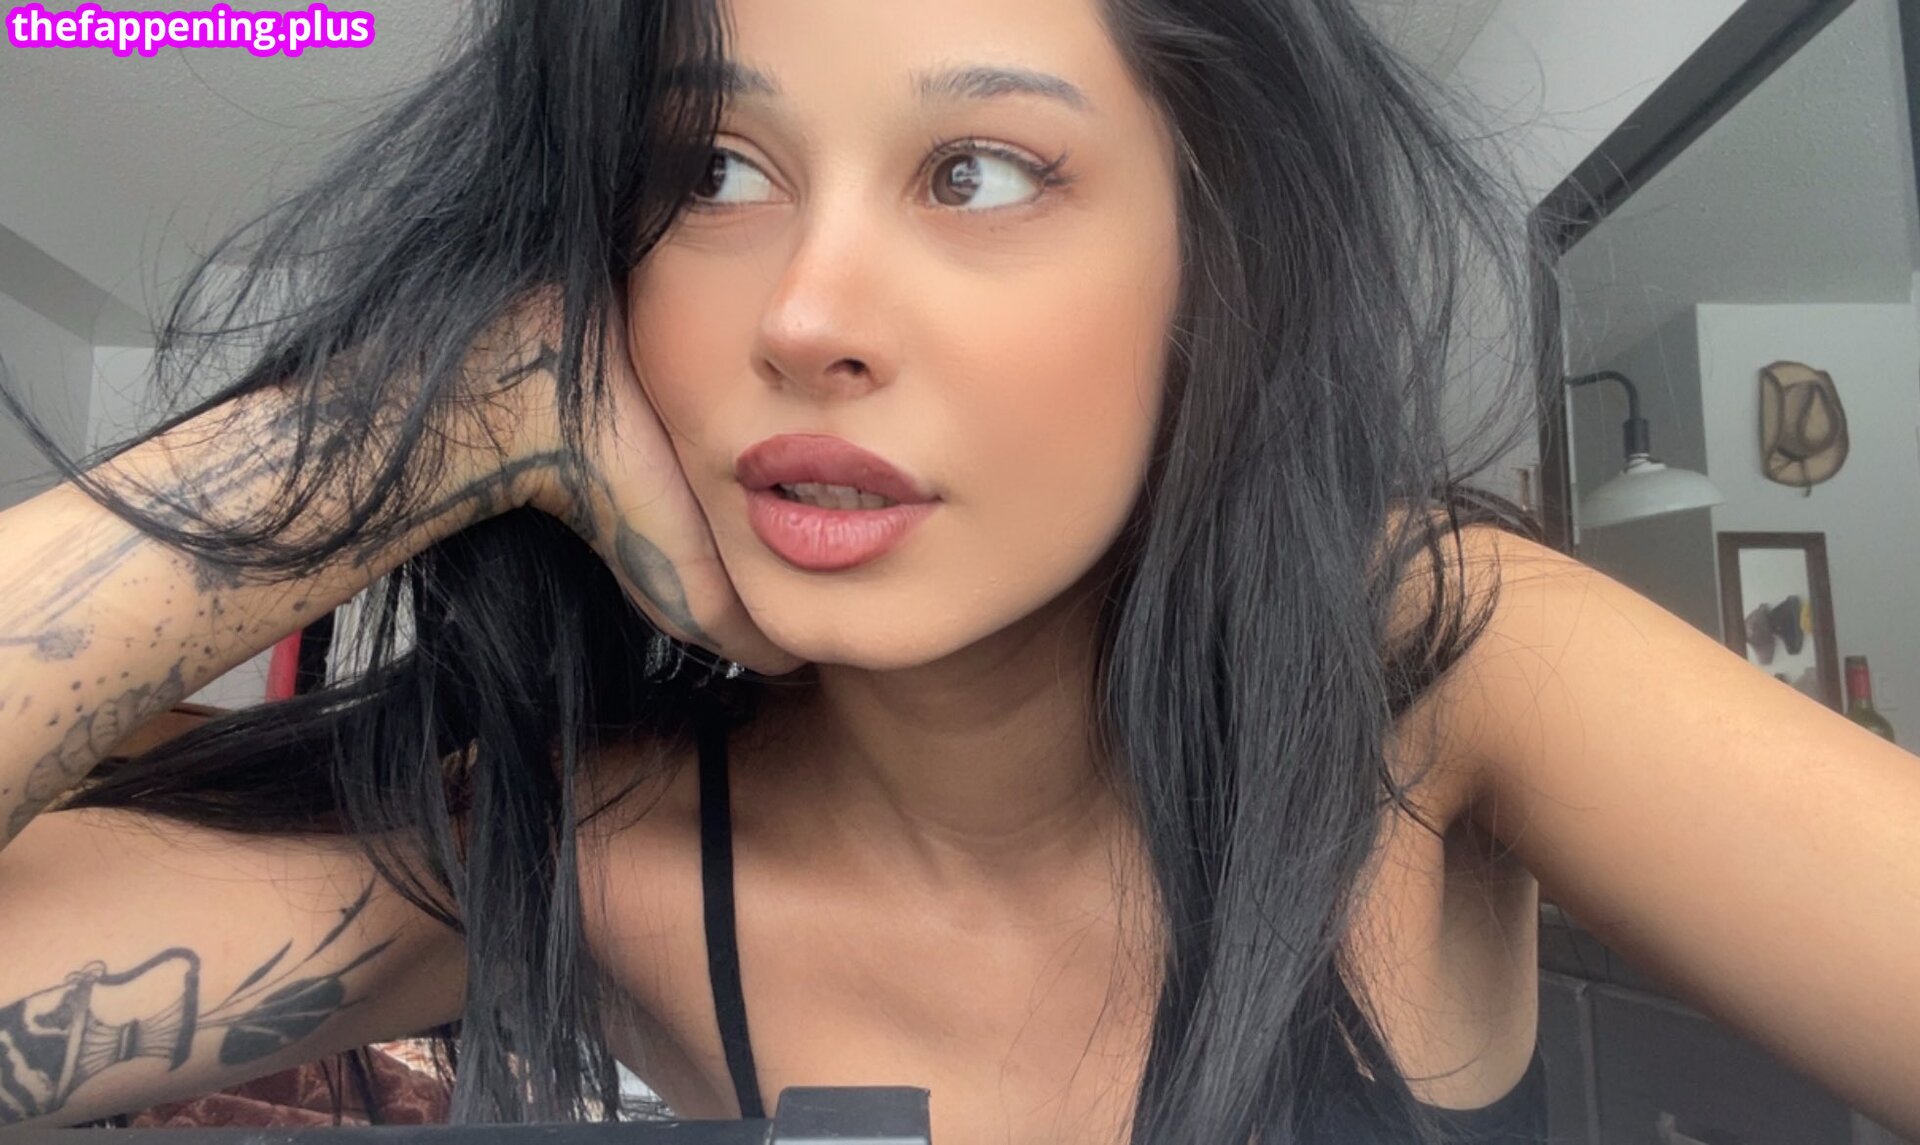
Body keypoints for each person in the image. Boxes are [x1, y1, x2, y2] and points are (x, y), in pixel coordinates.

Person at [1, 0, 1916, 1141]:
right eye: (709, 174)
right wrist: (383, 435)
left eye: (980, 171)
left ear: (1212, 263)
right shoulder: (597, 845)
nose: (808, 316)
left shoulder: (1440, 664)